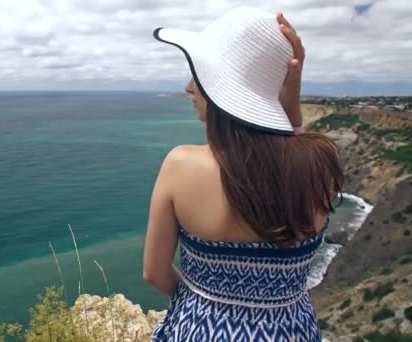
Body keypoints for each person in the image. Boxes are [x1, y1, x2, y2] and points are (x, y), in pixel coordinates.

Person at [143, 7, 344, 341]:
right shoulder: (321, 163)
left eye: (199, 74)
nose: (189, 87)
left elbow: (154, 273)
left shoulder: (180, 165)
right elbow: (289, 138)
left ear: (223, 87)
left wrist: (204, 300)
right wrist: (289, 84)